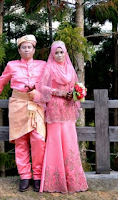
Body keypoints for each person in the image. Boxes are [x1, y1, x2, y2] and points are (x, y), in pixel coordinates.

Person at [0, 34, 46, 192]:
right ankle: (25, 176)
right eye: (23, 47)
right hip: (18, 105)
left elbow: (52, 82)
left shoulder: (43, 65)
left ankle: (38, 176)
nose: (27, 50)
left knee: (38, 139)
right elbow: (0, 82)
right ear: (19, 50)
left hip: (37, 105)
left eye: (29, 47)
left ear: (34, 49)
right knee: (21, 141)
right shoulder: (12, 65)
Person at [34, 40, 88, 193]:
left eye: (61, 52)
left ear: (65, 53)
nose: (59, 55)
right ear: (52, 54)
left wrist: (74, 94)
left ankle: (73, 181)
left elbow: (76, 86)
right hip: (55, 108)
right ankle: (55, 181)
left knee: (70, 141)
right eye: (56, 52)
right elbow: (41, 87)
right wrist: (60, 92)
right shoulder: (49, 67)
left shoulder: (70, 68)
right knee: (55, 141)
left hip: (68, 108)